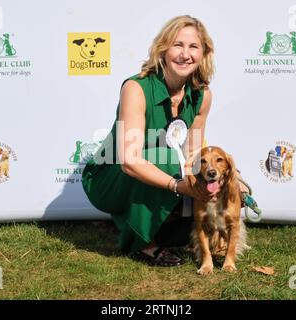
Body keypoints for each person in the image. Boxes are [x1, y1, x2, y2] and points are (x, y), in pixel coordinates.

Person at [82, 15, 221, 266]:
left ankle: (170, 224)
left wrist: (214, 180)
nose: (185, 54)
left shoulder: (203, 95)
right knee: (166, 157)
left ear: (204, 53)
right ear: (163, 48)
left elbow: (192, 153)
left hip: (161, 173)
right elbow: (129, 161)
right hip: (108, 176)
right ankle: (143, 244)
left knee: (198, 168)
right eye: (178, 45)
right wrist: (180, 186)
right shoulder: (137, 88)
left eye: (194, 47)